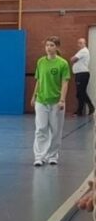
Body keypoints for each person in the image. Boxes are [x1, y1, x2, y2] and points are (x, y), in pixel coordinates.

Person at [32, 36, 72, 167]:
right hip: (41, 100)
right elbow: (38, 80)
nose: (48, 48)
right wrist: (34, 96)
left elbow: (65, 83)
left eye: (51, 45)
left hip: (56, 102)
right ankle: (39, 156)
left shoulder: (63, 63)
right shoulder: (40, 62)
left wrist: (62, 100)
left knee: (56, 130)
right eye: (47, 45)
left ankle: (52, 155)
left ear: (57, 47)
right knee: (41, 128)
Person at [72, 38, 92, 116]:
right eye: (78, 43)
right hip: (79, 74)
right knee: (79, 93)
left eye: (81, 43)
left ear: (84, 43)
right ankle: (79, 111)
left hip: (82, 74)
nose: (79, 44)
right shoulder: (81, 51)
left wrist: (73, 58)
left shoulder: (83, 51)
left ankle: (91, 107)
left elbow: (73, 59)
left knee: (81, 92)